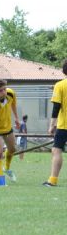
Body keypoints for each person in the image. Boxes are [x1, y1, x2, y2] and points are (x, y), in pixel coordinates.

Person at [44, 59, 67, 187]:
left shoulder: (60, 85)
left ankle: (53, 180)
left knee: (56, 150)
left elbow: (56, 108)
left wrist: (51, 125)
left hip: (64, 126)